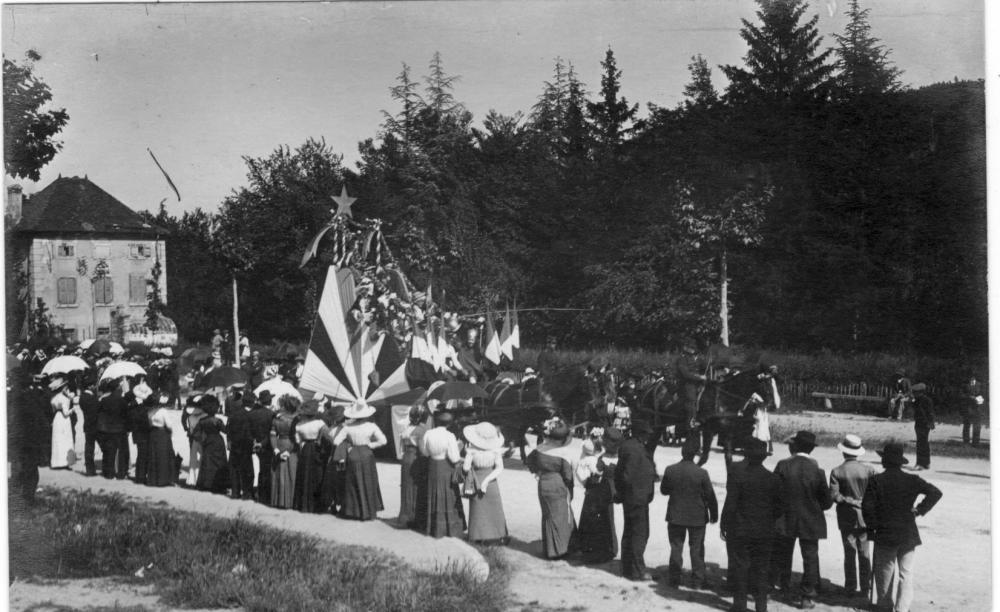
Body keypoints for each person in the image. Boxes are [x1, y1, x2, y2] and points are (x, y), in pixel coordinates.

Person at [862, 443, 943, 612]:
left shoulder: (876, 481)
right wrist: (919, 510)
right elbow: (935, 492)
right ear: (900, 462)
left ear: (884, 461)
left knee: (885, 572)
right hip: (907, 532)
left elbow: (867, 508)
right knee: (906, 573)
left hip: (884, 533)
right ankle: (902, 608)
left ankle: (884, 606)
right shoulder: (912, 480)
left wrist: (873, 528)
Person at [770, 430, 833, 609]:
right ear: (811, 449)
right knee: (810, 557)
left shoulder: (783, 465)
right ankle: (806, 596)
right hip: (810, 520)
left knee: (783, 553)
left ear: (795, 446)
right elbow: (827, 502)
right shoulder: (817, 470)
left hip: (785, 517)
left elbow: (774, 493)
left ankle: (783, 586)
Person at [721, 439, 784, 612]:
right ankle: (761, 607)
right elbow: (779, 509)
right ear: (764, 457)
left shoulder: (737, 474)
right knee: (762, 569)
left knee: (740, 566)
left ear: (747, 455)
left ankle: (739, 605)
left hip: (740, 529)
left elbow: (731, 503)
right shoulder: (773, 479)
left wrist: (724, 524)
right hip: (764, 532)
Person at [660, 436, 719, 589]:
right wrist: (714, 514)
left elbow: (664, 490)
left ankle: (674, 580)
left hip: (675, 515)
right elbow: (710, 496)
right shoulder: (702, 473)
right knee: (697, 548)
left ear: (682, 452)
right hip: (697, 517)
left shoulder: (670, 469)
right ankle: (698, 581)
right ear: (695, 454)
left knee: (676, 547)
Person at [829, 434, 877, 599]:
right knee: (865, 553)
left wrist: (849, 500)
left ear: (843, 452)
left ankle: (850, 586)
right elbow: (875, 494)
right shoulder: (869, 470)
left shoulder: (837, 471)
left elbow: (835, 496)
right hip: (865, 515)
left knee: (849, 552)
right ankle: (866, 588)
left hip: (846, 515)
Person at [525, 419, 578, 559]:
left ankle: (550, 549)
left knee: (548, 515)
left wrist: (538, 473)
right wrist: (570, 490)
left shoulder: (540, 449)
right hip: (557, 484)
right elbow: (568, 475)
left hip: (543, 483)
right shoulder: (563, 453)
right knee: (561, 516)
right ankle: (560, 549)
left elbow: (529, 461)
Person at [614, 419, 659, 580]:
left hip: (632, 497)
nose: (648, 437)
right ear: (640, 433)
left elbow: (621, 472)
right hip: (636, 498)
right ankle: (637, 571)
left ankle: (627, 568)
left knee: (630, 532)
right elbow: (627, 475)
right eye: (646, 434)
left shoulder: (629, 446)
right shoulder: (635, 449)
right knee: (640, 534)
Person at [332, 400, 387, 521]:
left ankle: (353, 511)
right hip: (367, 453)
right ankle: (368, 510)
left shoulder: (348, 428)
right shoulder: (372, 426)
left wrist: (349, 445)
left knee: (352, 482)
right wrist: (370, 445)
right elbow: (383, 441)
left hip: (353, 453)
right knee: (368, 481)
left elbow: (336, 441)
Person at [575, 429, 620, 563]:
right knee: (607, 520)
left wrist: (592, 480)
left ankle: (592, 547)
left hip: (600, 491)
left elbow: (595, 476)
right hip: (611, 491)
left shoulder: (601, 458)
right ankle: (608, 548)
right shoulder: (618, 458)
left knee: (596, 519)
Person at [462, 421, 509, 544]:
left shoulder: (472, 451)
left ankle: (477, 535)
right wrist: (487, 481)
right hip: (491, 482)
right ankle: (498, 535)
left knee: (477, 509)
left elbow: (466, 468)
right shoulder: (495, 451)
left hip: (477, 480)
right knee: (495, 508)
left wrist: (468, 458)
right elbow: (500, 468)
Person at [420, 410, 466, 537]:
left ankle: (433, 527)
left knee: (433, 492)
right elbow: (454, 458)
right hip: (445, 466)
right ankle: (448, 527)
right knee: (448, 494)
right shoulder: (449, 436)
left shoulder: (428, 433)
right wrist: (459, 447)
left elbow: (424, 452)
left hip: (433, 465)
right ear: (449, 424)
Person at [293, 399, 327, 512]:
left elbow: (298, 440)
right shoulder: (320, 423)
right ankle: (316, 504)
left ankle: (303, 504)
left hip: (306, 449)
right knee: (317, 475)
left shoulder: (299, 425)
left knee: (304, 475)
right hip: (317, 448)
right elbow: (326, 436)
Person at [398, 404, 429, 527]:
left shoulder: (406, 429)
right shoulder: (421, 431)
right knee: (417, 488)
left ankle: (405, 515)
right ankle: (415, 518)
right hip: (416, 459)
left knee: (406, 487)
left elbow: (401, 448)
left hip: (406, 458)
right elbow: (422, 450)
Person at [193, 395, 230, 493]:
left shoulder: (202, 421)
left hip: (208, 440)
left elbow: (195, 434)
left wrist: (202, 440)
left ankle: (206, 484)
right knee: (219, 462)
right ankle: (219, 485)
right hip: (218, 440)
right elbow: (226, 430)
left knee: (207, 462)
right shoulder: (217, 421)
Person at [270, 395, 300, 508]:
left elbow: (272, 436)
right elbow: (297, 439)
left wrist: (276, 450)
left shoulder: (277, 419)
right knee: (291, 474)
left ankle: (277, 500)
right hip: (292, 447)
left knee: (278, 473)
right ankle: (290, 501)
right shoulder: (297, 420)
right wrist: (289, 450)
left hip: (280, 443)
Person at [97, 377, 130, 479]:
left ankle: (109, 473)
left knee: (109, 452)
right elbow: (126, 415)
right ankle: (121, 473)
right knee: (121, 452)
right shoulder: (122, 401)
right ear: (117, 388)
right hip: (120, 429)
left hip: (108, 429)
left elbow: (101, 414)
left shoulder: (104, 400)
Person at [226, 388, 255, 500]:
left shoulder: (234, 414)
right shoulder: (253, 415)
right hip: (247, 446)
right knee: (247, 470)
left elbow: (228, 429)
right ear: (252, 402)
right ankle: (247, 493)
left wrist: (229, 441)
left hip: (235, 445)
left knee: (235, 470)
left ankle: (235, 492)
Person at [247, 390, 275, 503]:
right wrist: (262, 443)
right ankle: (264, 496)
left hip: (253, 444)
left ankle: (253, 492)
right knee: (265, 470)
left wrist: (254, 441)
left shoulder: (251, 413)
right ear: (269, 401)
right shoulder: (271, 414)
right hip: (266, 445)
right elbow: (271, 433)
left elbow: (248, 430)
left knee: (254, 469)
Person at [146, 391, 177, 487]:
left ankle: (153, 480)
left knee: (154, 455)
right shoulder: (163, 412)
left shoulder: (150, 411)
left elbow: (150, 423)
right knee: (164, 456)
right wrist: (171, 432)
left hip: (153, 433)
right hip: (162, 433)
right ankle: (164, 480)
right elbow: (169, 424)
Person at [676, 341, 707, 429]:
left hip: (699, 384)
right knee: (691, 399)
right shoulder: (682, 359)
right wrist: (700, 377)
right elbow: (686, 374)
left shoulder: (699, 359)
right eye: (690, 348)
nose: (692, 350)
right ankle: (691, 421)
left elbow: (704, 368)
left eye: (693, 348)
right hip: (686, 384)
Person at [127, 382, 154, 483]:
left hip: (137, 432)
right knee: (143, 454)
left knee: (142, 454)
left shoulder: (133, 404)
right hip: (142, 432)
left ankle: (140, 475)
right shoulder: (141, 405)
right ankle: (141, 476)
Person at [48, 375, 77, 469]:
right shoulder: (64, 399)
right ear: (63, 388)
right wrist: (72, 409)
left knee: (58, 440)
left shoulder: (54, 398)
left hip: (57, 418)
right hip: (64, 420)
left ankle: (57, 462)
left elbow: (53, 410)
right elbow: (66, 413)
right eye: (65, 387)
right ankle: (65, 462)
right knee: (66, 439)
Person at [182, 394, 206, 486]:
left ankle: (191, 479)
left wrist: (187, 429)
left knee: (193, 457)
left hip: (192, 436)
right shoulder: (203, 414)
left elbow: (184, 421)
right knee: (203, 457)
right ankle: (200, 478)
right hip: (202, 437)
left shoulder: (190, 414)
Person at [911, 383, 935, 470]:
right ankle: (926, 463)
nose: (914, 394)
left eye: (915, 392)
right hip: (919, 423)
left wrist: (931, 422)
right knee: (923, 443)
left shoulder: (926, 400)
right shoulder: (917, 400)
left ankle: (920, 463)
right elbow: (913, 407)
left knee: (921, 443)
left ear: (920, 392)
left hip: (924, 424)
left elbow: (930, 412)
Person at [79, 382, 100, 476]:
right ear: (89, 386)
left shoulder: (82, 397)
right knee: (104, 446)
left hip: (87, 424)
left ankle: (89, 470)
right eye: (94, 385)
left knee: (89, 448)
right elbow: (97, 409)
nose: (95, 386)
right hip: (95, 424)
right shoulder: (92, 398)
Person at [961, 373, 984, 446]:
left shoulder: (980, 385)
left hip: (977, 408)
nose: (971, 378)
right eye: (970, 377)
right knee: (966, 425)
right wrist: (969, 397)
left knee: (977, 425)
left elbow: (984, 395)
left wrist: (980, 399)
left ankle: (976, 442)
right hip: (967, 408)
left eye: (973, 377)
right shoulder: (965, 385)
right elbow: (961, 395)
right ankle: (966, 442)